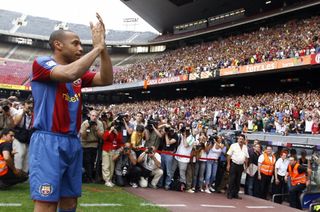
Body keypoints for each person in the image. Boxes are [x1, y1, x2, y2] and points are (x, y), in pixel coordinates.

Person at [29, 13, 113, 212]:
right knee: (47, 202)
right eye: (75, 43)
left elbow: (107, 79)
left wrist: (103, 49)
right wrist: (96, 48)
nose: (80, 48)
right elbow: (68, 73)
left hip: (72, 141)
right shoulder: (41, 63)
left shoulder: (79, 74)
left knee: (70, 202)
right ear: (58, 45)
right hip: (48, 141)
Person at [80, 110, 104, 183]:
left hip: (94, 144)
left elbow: (101, 136)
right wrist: (87, 128)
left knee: (92, 161)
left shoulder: (99, 123)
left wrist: (96, 129)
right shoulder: (85, 123)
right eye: (93, 116)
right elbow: (83, 136)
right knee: (86, 162)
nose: (94, 117)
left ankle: (91, 177)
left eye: (96, 116)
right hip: (85, 144)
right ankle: (87, 177)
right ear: (89, 116)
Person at [226, 134, 249, 199]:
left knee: (238, 180)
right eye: (239, 139)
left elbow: (246, 157)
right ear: (238, 139)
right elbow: (229, 155)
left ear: (244, 140)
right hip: (234, 164)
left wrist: (246, 166)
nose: (241, 140)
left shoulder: (245, 147)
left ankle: (235, 194)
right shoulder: (233, 145)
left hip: (241, 165)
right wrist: (228, 164)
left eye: (242, 139)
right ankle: (229, 194)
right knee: (232, 180)